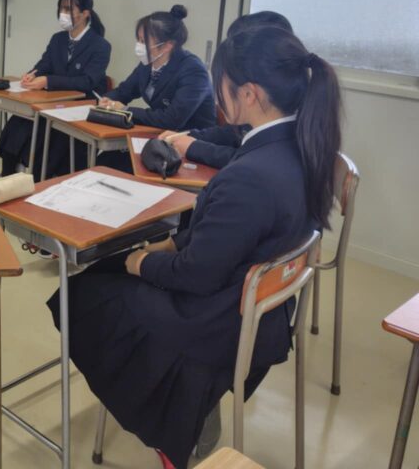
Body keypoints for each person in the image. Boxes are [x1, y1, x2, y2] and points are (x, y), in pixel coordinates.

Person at [47, 25, 341, 469]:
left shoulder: (251, 175)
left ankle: (174, 419)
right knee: (111, 270)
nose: (218, 92)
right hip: (262, 314)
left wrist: (138, 261)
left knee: (83, 292)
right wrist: (168, 244)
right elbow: (230, 239)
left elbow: (195, 275)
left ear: (249, 94)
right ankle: (176, 408)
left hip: (216, 321)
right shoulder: (302, 148)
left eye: (222, 83)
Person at [0, 0, 111, 179]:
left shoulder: (100, 45)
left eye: (68, 9)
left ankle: (38, 181)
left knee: (51, 137)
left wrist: (48, 81)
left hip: (79, 106)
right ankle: (8, 177)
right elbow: (45, 64)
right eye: (61, 9)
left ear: (85, 14)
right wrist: (32, 75)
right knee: (18, 123)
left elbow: (87, 81)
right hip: (53, 102)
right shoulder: (58, 39)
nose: (63, 14)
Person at [161, 11, 293, 169]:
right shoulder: (261, 107)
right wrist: (186, 136)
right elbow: (232, 133)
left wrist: (195, 148)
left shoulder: (287, 121)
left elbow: (254, 161)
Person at [98, 4, 215, 131]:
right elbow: (124, 91)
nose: (139, 46)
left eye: (144, 41)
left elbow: (171, 120)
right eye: (138, 39)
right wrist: (107, 100)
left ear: (168, 45)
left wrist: (125, 110)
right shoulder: (148, 63)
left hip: (190, 137)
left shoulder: (194, 71)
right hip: (159, 132)